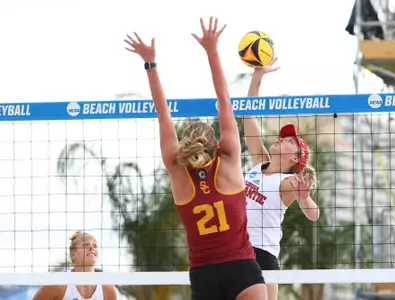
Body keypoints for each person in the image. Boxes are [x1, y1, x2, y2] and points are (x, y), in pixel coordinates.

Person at [124, 17, 267, 300]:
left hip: (204, 276)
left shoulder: (178, 171)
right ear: (216, 143)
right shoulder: (228, 163)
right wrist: (212, 50)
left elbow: (162, 112)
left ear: (183, 145)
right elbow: (223, 99)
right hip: (243, 271)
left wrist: (150, 63)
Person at [243, 58, 320, 300]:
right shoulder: (259, 163)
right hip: (236, 250)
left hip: (261, 255)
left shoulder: (287, 183)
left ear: (294, 160)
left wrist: (305, 198)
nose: (282, 139)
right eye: (285, 137)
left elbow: (314, 214)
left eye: (290, 142)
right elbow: (248, 116)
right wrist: (258, 76)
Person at [33, 231, 117, 300]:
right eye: (85, 245)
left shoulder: (107, 288)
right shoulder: (57, 285)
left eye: (95, 245)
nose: (92, 248)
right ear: (73, 254)